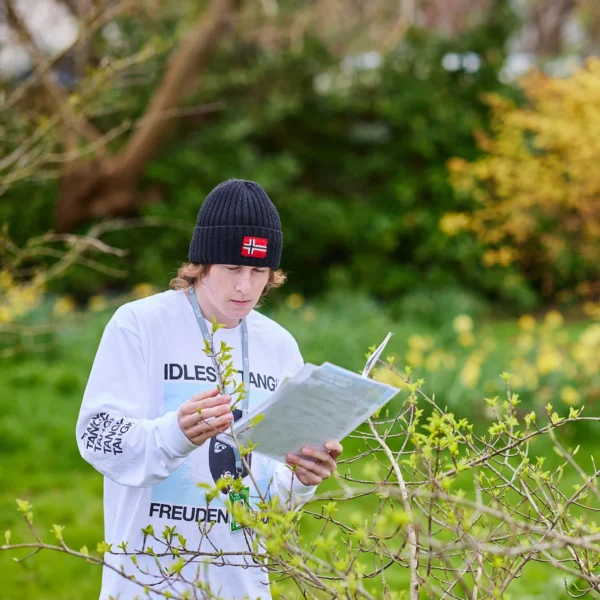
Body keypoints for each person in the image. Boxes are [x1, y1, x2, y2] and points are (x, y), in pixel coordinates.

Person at [76, 179, 343, 600]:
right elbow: (95, 437)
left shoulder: (279, 346)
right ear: (201, 263)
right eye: (233, 268)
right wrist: (174, 434)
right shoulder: (141, 324)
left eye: (258, 271)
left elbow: (270, 499)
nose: (245, 287)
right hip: (146, 585)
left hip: (242, 587)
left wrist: (301, 479)